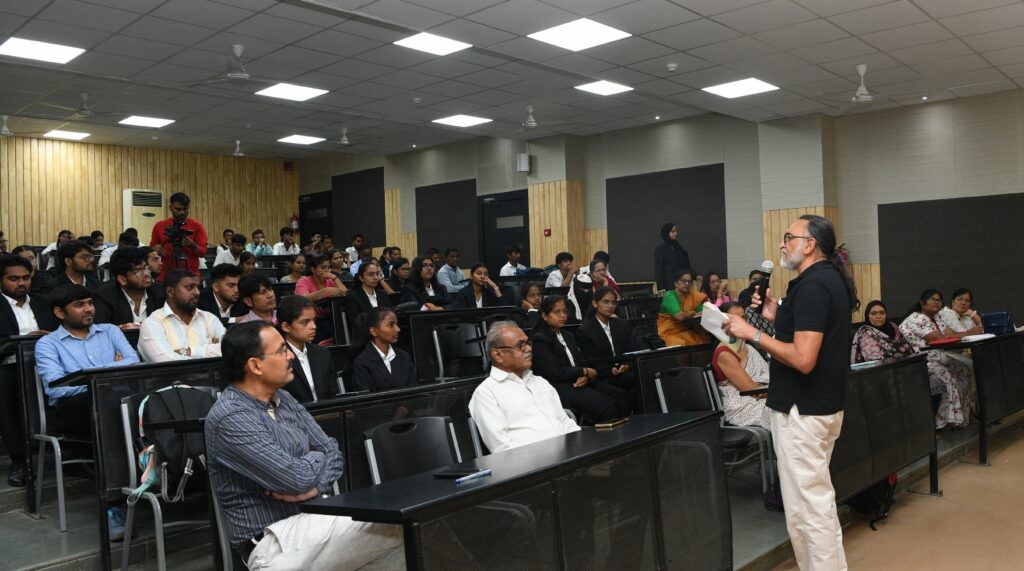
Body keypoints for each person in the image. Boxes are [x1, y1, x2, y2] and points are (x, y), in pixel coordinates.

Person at [204, 321, 403, 569]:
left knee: (412, 530)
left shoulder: (284, 398)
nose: (291, 356)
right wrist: (315, 459)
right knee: (399, 523)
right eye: (281, 351)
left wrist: (315, 485)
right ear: (255, 365)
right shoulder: (231, 417)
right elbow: (295, 479)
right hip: (273, 542)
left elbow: (333, 450)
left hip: (315, 519)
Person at [722, 214, 858, 571]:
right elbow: (801, 336)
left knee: (809, 511)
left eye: (788, 237)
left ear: (810, 244)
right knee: (810, 506)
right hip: (818, 407)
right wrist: (774, 316)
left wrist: (750, 333)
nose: (782, 244)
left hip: (803, 412)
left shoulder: (813, 285)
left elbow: (803, 358)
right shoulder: (824, 280)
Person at [34, 284, 138, 538]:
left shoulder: (110, 330)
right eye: (79, 305)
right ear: (60, 313)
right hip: (74, 411)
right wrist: (108, 372)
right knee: (107, 409)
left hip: (115, 401)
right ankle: (114, 504)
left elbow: (133, 362)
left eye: (90, 302)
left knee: (142, 402)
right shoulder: (47, 344)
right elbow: (56, 389)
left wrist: (86, 377)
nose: (89, 309)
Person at [469, 321, 580, 453]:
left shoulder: (540, 382)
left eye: (528, 343)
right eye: (521, 345)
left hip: (569, 457)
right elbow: (502, 448)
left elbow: (566, 424)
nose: (529, 349)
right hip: (533, 467)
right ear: (498, 355)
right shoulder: (486, 393)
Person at [0, 255, 57, 487]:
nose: (21, 283)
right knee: (4, 386)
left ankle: (75, 452)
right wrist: (23, 341)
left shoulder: (43, 302)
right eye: (14, 279)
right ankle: (20, 459)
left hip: (45, 365)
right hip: (9, 364)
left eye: (25, 278)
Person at [530, 295, 631, 423]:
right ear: (544, 316)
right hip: (560, 387)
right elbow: (555, 373)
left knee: (622, 397)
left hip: (579, 381)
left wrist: (585, 376)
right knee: (607, 406)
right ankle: (606, 440)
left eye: (564, 311)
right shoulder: (540, 339)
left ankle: (626, 436)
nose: (563, 316)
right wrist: (583, 372)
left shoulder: (568, 335)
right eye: (557, 312)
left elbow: (580, 363)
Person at [900, 290, 973, 429]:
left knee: (964, 371)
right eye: (933, 299)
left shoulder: (936, 318)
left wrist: (963, 334)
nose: (936, 302)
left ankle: (960, 418)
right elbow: (939, 338)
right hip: (920, 361)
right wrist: (970, 333)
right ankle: (943, 422)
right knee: (947, 377)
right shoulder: (916, 318)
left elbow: (950, 335)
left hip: (936, 357)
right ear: (922, 302)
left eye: (939, 300)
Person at [138, 270, 226, 362]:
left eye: (198, 287)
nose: (197, 292)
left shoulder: (209, 318)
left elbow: (230, 349)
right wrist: (211, 350)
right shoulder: (153, 323)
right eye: (190, 287)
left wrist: (190, 351)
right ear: (170, 291)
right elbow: (167, 362)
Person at [710, 302, 771, 429]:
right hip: (741, 403)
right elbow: (754, 391)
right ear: (723, 322)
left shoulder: (748, 347)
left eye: (743, 318)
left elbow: (766, 374)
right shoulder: (724, 353)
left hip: (762, 394)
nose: (741, 322)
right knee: (784, 408)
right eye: (735, 318)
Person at [277, 296, 337, 404]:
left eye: (314, 320)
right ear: (286, 327)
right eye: (305, 322)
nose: (313, 326)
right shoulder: (276, 358)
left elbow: (332, 395)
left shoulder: (322, 353)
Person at [577, 286, 635, 388]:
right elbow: (591, 359)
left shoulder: (622, 324)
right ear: (595, 303)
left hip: (624, 372)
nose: (610, 306)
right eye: (606, 302)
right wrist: (609, 370)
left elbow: (631, 350)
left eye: (613, 303)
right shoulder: (585, 330)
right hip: (602, 376)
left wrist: (627, 365)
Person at [93, 248, 164, 329]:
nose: (146, 274)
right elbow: (100, 332)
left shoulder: (159, 291)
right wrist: (117, 330)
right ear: (122, 279)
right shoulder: (104, 297)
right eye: (138, 271)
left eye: (145, 268)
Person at [352, 307, 417, 392]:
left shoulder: (404, 356)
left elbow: (414, 390)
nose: (398, 329)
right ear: (374, 331)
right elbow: (367, 401)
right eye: (391, 325)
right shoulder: (362, 362)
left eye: (397, 324)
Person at [150, 192, 208, 281]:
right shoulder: (159, 226)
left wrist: (192, 245)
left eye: (185, 209)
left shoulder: (197, 226)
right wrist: (156, 249)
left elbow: (203, 252)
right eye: (178, 209)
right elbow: (152, 248)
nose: (182, 212)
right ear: (170, 207)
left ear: (189, 207)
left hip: (190, 275)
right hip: (165, 275)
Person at [657, 269, 710, 347]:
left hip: (687, 330)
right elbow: (680, 316)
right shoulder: (669, 296)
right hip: (671, 331)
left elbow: (703, 310)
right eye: (683, 281)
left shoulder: (693, 295)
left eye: (690, 281)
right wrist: (692, 313)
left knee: (703, 339)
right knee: (680, 343)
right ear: (676, 283)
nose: (687, 284)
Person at [850, 300, 916, 364]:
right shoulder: (865, 332)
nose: (878, 316)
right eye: (873, 313)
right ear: (867, 316)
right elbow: (874, 361)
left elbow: (909, 350)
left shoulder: (893, 328)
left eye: (882, 313)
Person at [346, 260, 391, 329]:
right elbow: (356, 322)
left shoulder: (382, 294)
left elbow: (389, 316)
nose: (376, 277)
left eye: (377, 273)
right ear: (361, 278)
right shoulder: (353, 296)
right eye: (371, 274)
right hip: (365, 334)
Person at [654, 223, 691, 292]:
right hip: (669, 286)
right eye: (673, 232)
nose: (676, 233)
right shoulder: (661, 249)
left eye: (676, 231)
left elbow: (686, 266)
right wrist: (661, 288)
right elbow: (659, 271)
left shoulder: (679, 248)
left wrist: (696, 275)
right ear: (666, 233)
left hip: (682, 285)